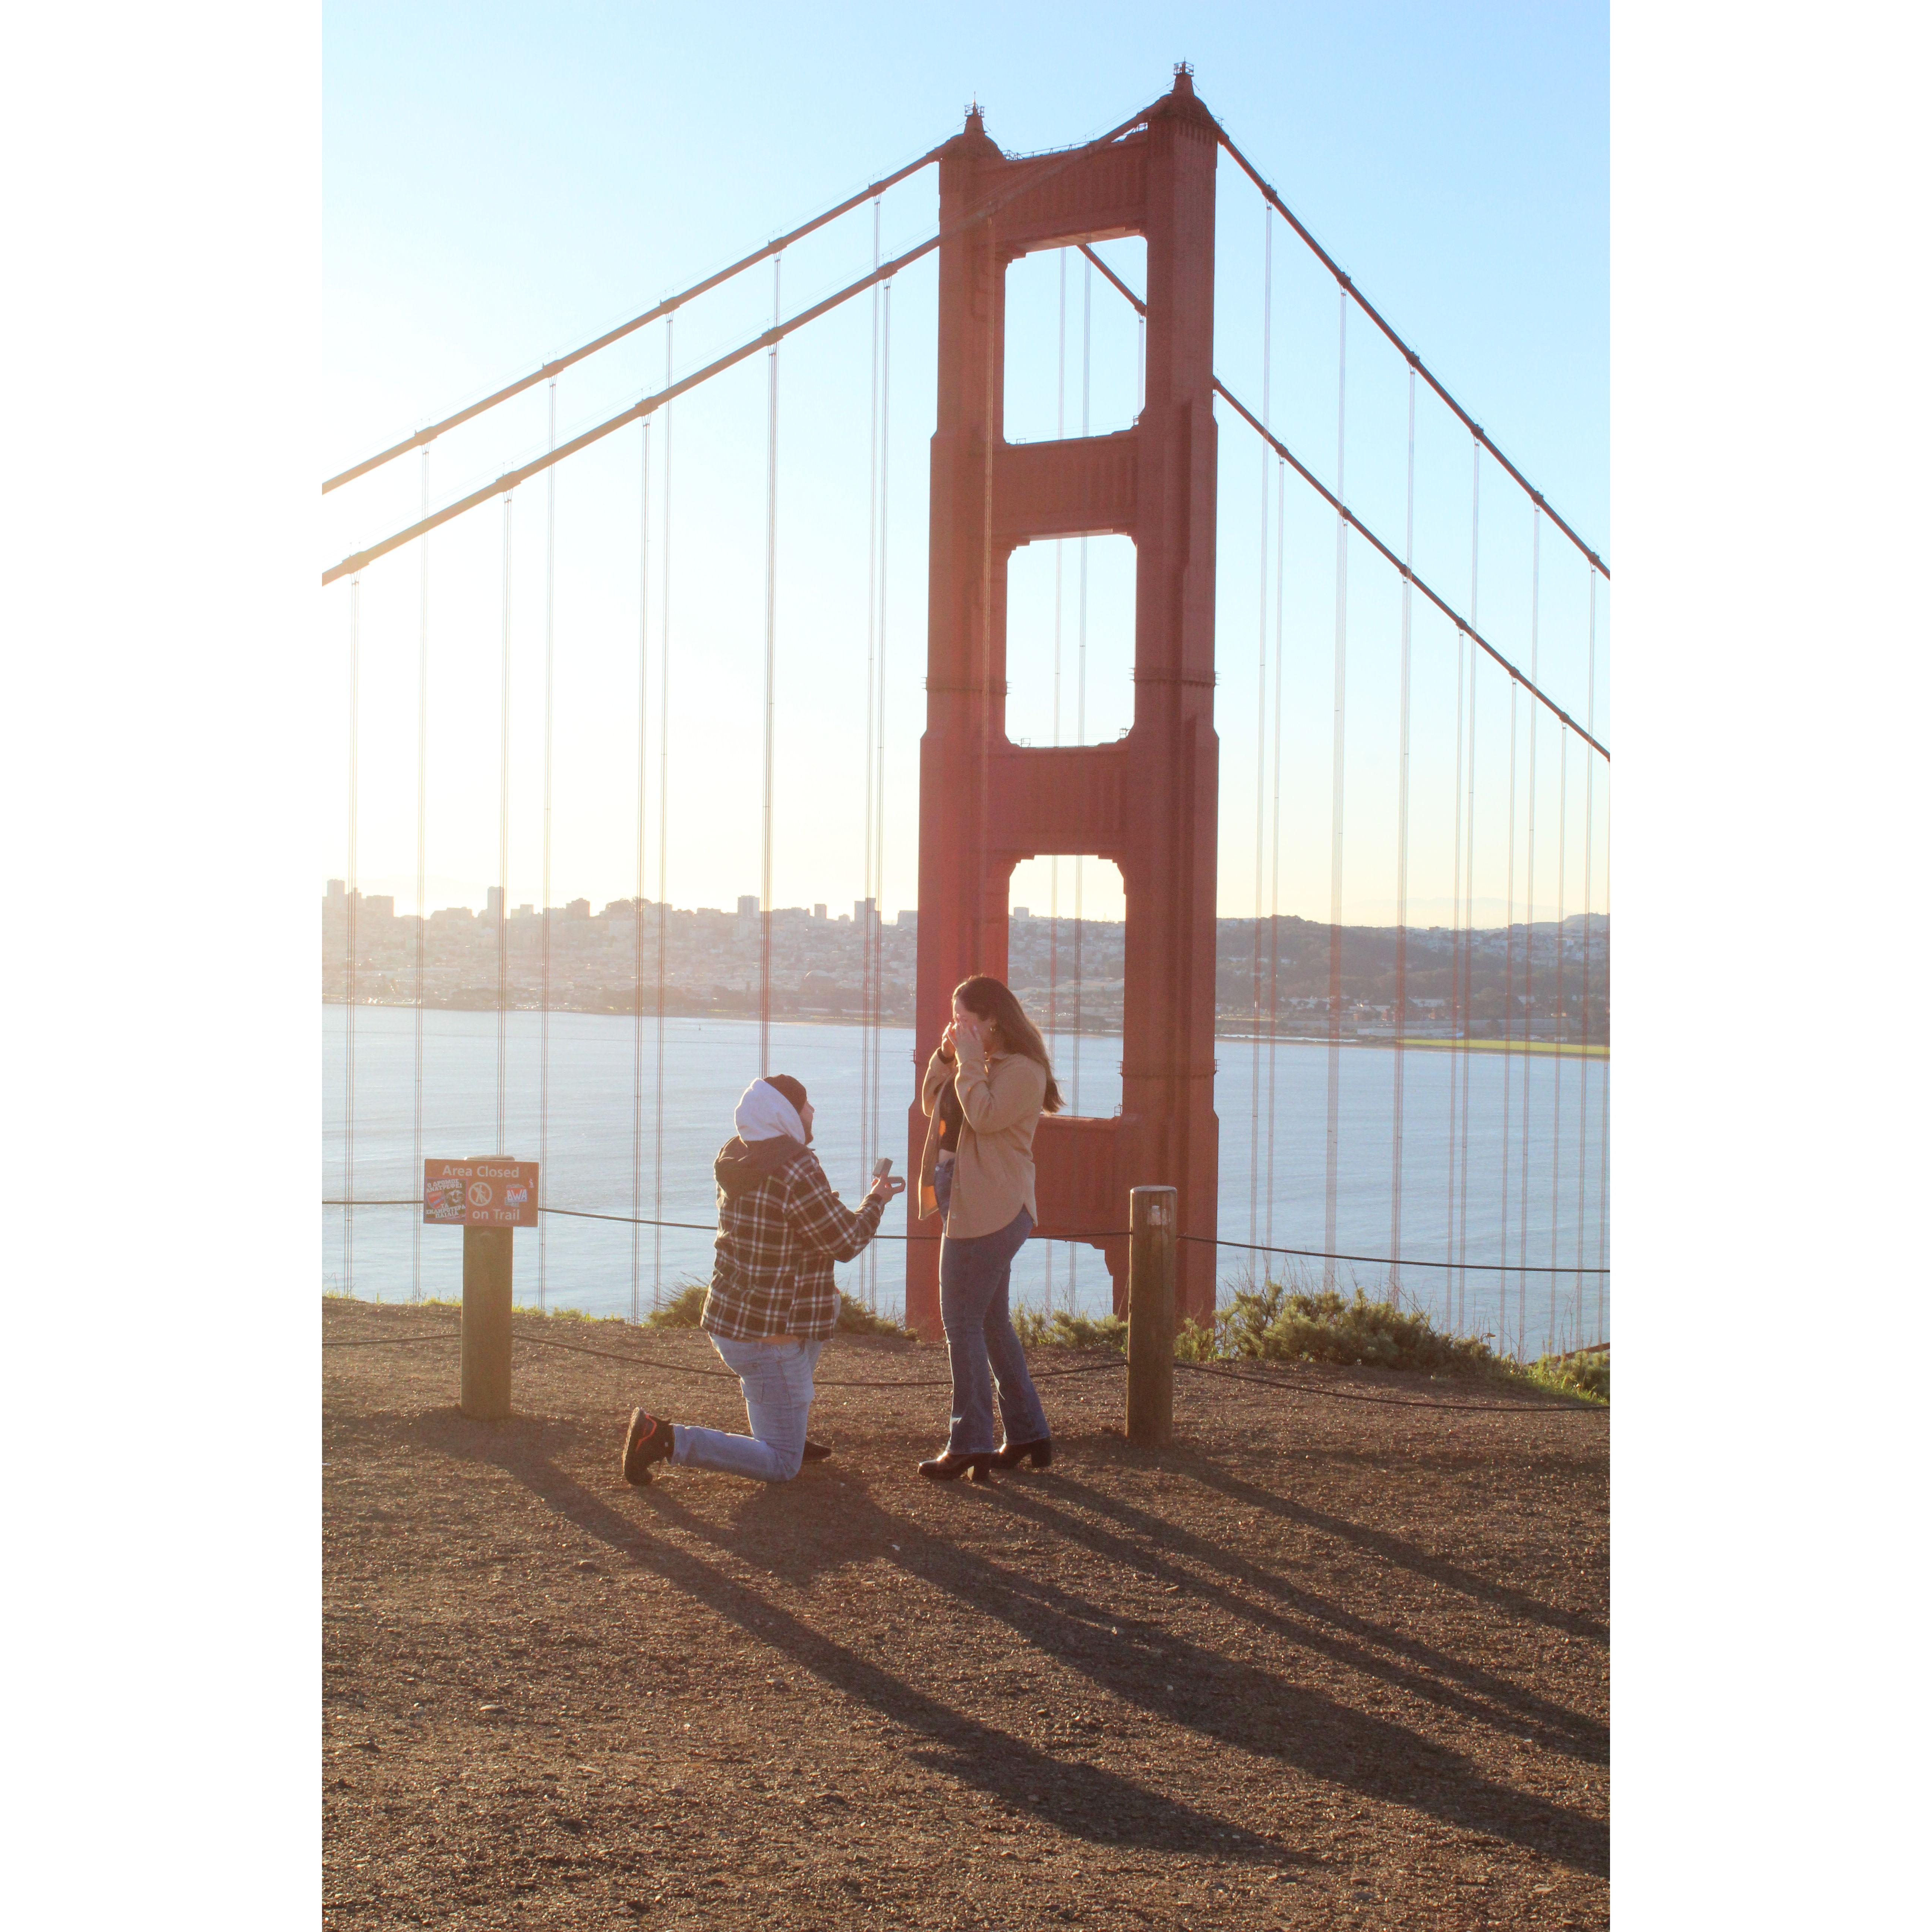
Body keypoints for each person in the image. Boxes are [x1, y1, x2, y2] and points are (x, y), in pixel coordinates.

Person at [621, 1073, 904, 1486]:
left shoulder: (736, 1153)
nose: (812, 1111)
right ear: (786, 1113)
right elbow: (846, 1241)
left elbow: (782, 1223)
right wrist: (876, 1199)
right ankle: (664, 1440)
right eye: (805, 1104)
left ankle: (789, 1429)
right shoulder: (796, 1165)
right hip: (768, 1338)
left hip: (731, 1319)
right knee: (781, 1465)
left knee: (831, 1303)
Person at [915, 975, 1063, 1481]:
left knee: (961, 1325)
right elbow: (933, 1106)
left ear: (993, 1021)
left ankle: (970, 1441)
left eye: (965, 1020)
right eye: (954, 1019)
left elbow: (983, 1114)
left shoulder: (1023, 1071)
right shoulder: (984, 1065)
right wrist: (948, 1055)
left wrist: (971, 1063)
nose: (957, 1027)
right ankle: (1029, 1435)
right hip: (974, 1206)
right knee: (992, 1324)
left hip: (992, 1211)